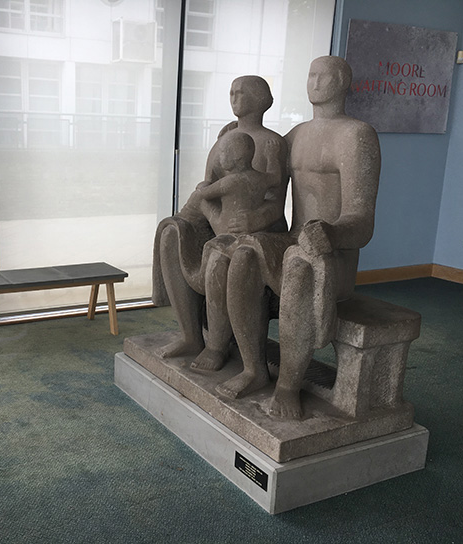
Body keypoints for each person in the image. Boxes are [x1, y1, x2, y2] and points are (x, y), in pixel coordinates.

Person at [216, 56, 381, 419]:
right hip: (293, 239)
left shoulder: (357, 135)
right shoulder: (295, 136)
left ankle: (288, 387)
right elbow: (259, 181)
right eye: (311, 74)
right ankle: (253, 368)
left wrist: (333, 232)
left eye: (325, 75)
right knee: (244, 253)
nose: (315, 82)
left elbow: (362, 220)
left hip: (333, 253)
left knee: (297, 264)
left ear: (343, 81)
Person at [152, 76, 288, 371]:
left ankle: (217, 345)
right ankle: (191, 336)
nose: (235, 97)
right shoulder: (225, 137)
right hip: (219, 219)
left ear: (262, 99)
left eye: (243, 92)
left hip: (257, 228)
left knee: (218, 256)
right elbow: (209, 188)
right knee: (171, 233)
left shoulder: (272, 143)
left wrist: (254, 218)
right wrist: (188, 217)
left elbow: (276, 203)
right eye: (231, 92)